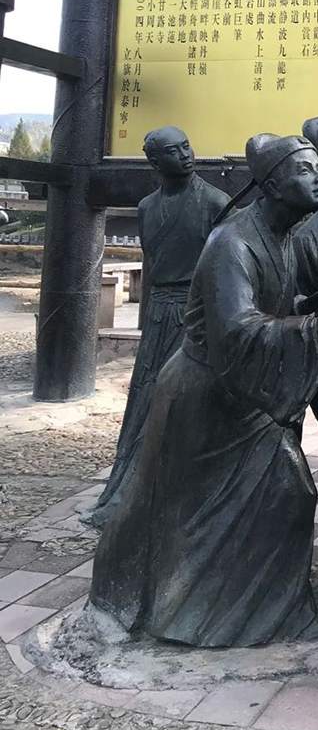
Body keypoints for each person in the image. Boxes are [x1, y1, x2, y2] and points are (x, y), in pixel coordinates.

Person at [90, 134, 318, 647]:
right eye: (305, 170)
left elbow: (271, 305)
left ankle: (259, 614)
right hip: (207, 395)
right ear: (272, 185)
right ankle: (192, 617)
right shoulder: (232, 242)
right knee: (199, 513)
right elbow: (237, 330)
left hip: (241, 392)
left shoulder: (282, 235)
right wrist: (316, 329)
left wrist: (313, 305)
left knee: (284, 493)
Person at [91, 126, 228, 528]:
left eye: (187, 146)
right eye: (174, 151)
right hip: (158, 312)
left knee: (191, 394)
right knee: (147, 394)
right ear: (155, 161)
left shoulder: (215, 202)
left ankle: (189, 490)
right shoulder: (148, 207)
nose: (185, 155)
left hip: (198, 313)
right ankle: (134, 486)